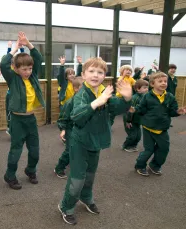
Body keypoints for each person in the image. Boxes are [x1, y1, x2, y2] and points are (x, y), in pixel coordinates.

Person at [58, 57, 132, 225]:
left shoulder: (103, 91)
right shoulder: (82, 94)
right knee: (77, 178)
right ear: (83, 75)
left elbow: (116, 107)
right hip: (79, 142)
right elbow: (77, 116)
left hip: (95, 141)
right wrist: (98, 102)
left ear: (104, 76)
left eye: (100, 72)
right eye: (91, 71)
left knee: (90, 175)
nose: (95, 75)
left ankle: (86, 197)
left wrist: (127, 98)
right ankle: (66, 206)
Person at [0, 31, 45, 190]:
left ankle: (30, 170)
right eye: (24, 69)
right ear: (16, 69)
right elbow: (4, 63)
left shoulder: (32, 77)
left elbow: (38, 58)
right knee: (16, 151)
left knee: (35, 150)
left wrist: (28, 44)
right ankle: (10, 176)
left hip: (31, 119)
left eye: (30, 68)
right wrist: (15, 48)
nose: (27, 72)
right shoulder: (13, 79)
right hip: (17, 120)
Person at [131, 72, 186, 176]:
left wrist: (178, 112)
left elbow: (172, 111)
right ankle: (140, 165)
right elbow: (141, 109)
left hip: (162, 128)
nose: (163, 83)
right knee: (149, 149)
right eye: (160, 81)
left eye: (165, 81)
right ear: (152, 84)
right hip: (148, 128)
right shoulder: (147, 96)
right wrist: (133, 109)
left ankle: (155, 165)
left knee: (164, 148)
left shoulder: (170, 97)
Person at [54, 77, 83, 179]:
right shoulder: (70, 102)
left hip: (81, 129)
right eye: (84, 87)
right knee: (70, 149)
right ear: (76, 89)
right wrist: (63, 130)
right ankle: (59, 168)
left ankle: (74, 162)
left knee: (80, 148)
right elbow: (63, 118)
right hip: (70, 129)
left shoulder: (85, 101)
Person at [122, 79, 149, 152]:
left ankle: (133, 145)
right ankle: (126, 146)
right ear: (138, 89)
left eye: (147, 87)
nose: (147, 89)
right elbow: (130, 111)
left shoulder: (145, 97)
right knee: (132, 135)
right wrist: (128, 121)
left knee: (138, 136)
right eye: (144, 88)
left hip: (138, 120)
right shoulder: (135, 98)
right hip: (130, 120)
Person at [5, 41, 25, 136]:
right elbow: (6, 62)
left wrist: (21, 48)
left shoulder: (20, 71)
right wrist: (10, 48)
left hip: (18, 95)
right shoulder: (11, 73)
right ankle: (10, 128)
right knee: (10, 113)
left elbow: (23, 59)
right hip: (10, 94)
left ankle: (16, 129)